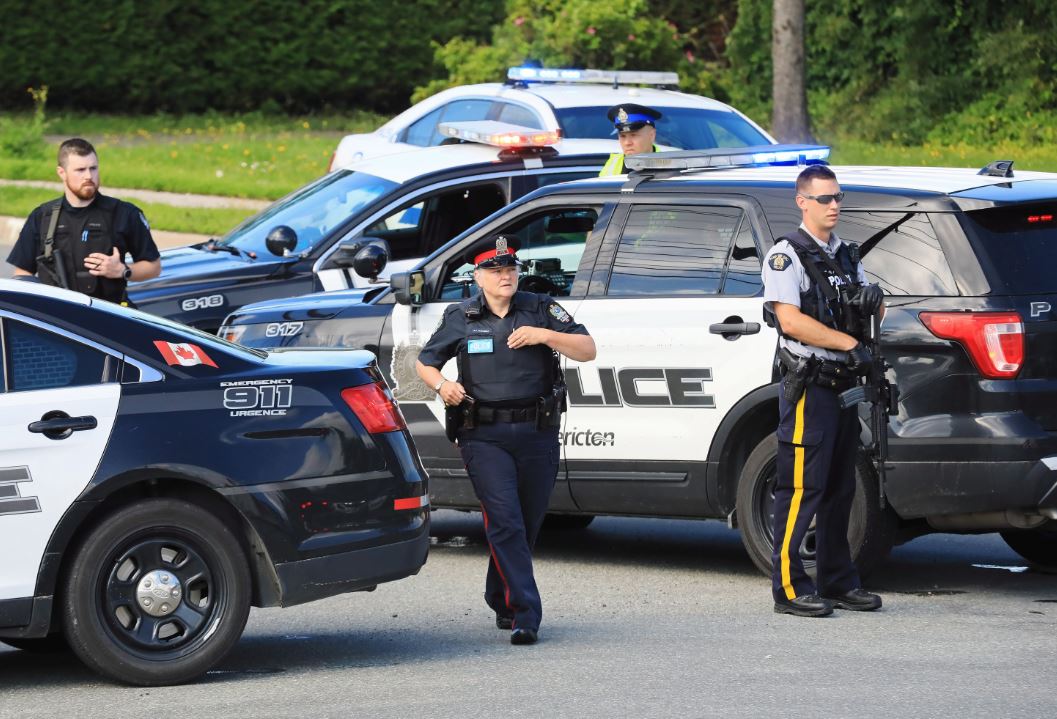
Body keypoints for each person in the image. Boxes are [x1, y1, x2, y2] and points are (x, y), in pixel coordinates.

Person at [415, 235, 596, 645]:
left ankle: (500, 594)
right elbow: (425, 362)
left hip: (537, 432)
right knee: (506, 521)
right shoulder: (460, 315)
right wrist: (443, 385)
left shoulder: (540, 309)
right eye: (495, 271)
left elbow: (587, 350)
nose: (505, 276)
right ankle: (525, 614)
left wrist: (544, 335)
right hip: (484, 435)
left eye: (510, 268)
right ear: (478, 277)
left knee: (526, 523)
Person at [761, 164, 886, 618]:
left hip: (844, 386)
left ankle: (837, 581)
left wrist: (873, 307)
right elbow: (789, 319)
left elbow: (870, 310)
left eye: (838, 197)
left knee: (839, 488)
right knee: (800, 489)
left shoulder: (847, 256)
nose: (834, 205)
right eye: (825, 199)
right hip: (810, 386)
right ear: (802, 202)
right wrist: (849, 343)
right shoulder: (786, 256)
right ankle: (790, 589)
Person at [7, 138, 161, 303]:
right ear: (62, 173)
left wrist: (122, 270)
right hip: (57, 319)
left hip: (109, 315)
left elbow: (154, 267)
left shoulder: (124, 213)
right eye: (80, 170)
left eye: (93, 168)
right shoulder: (42, 217)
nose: (89, 176)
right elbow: (22, 275)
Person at [598, 103, 662, 177]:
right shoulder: (613, 163)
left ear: (651, 135)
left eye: (633, 135)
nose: (627, 143)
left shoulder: (668, 164)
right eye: (623, 136)